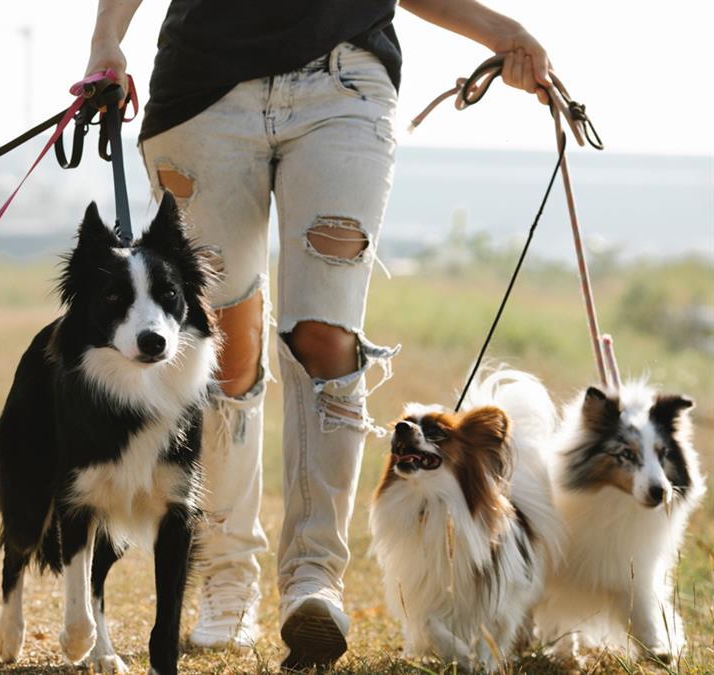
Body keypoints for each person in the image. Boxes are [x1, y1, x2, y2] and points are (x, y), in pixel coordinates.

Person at [83, 0, 554, 668]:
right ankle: (226, 577)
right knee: (222, 346)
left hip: (346, 85)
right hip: (204, 91)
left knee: (327, 335)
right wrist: (107, 41)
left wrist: (503, 33)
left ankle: (314, 576)